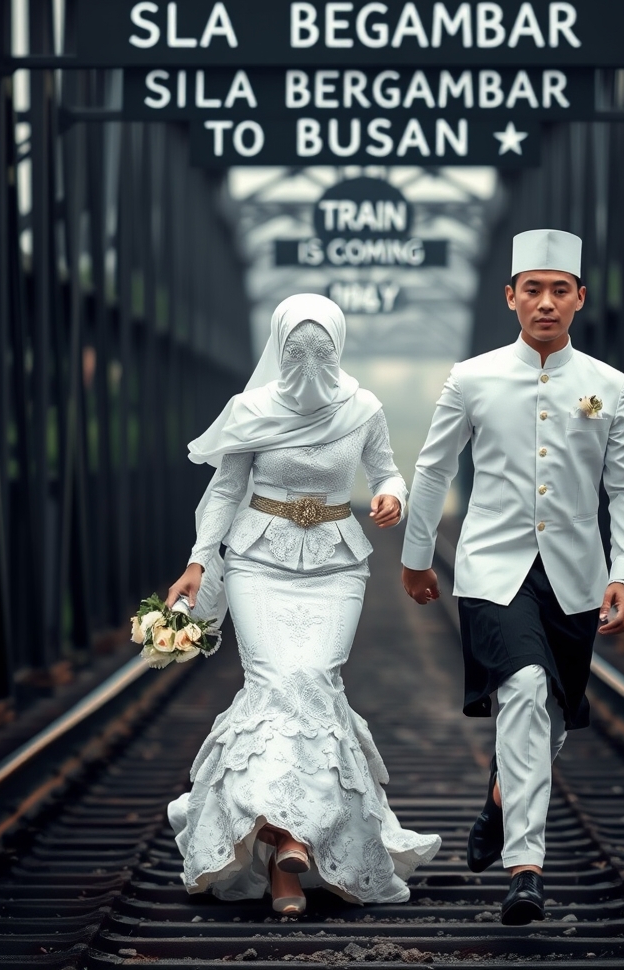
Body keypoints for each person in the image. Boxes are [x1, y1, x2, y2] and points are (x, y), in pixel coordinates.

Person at [400, 229, 624, 926]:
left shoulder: (609, 387)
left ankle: (502, 796)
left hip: (576, 576)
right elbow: (434, 467)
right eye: (531, 289)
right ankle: (526, 868)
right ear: (510, 297)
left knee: (550, 718)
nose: (545, 302)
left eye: (559, 290)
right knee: (528, 689)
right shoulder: (471, 377)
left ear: (580, 299)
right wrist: (417, 557)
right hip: (490, 569)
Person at [166, 293, 440, 916]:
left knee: (313, 681)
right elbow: (225, 488)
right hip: (260, 559)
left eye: (321, 349)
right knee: (278, 682)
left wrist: (391, 496)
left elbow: (385, 469)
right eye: (296, 349)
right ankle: (288, 848)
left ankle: (288, 844)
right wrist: (198, 560)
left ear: (338, 348)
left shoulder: (363, 407)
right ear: (278, 347)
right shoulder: (250, 410)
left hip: (336, 565)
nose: (309, 359)